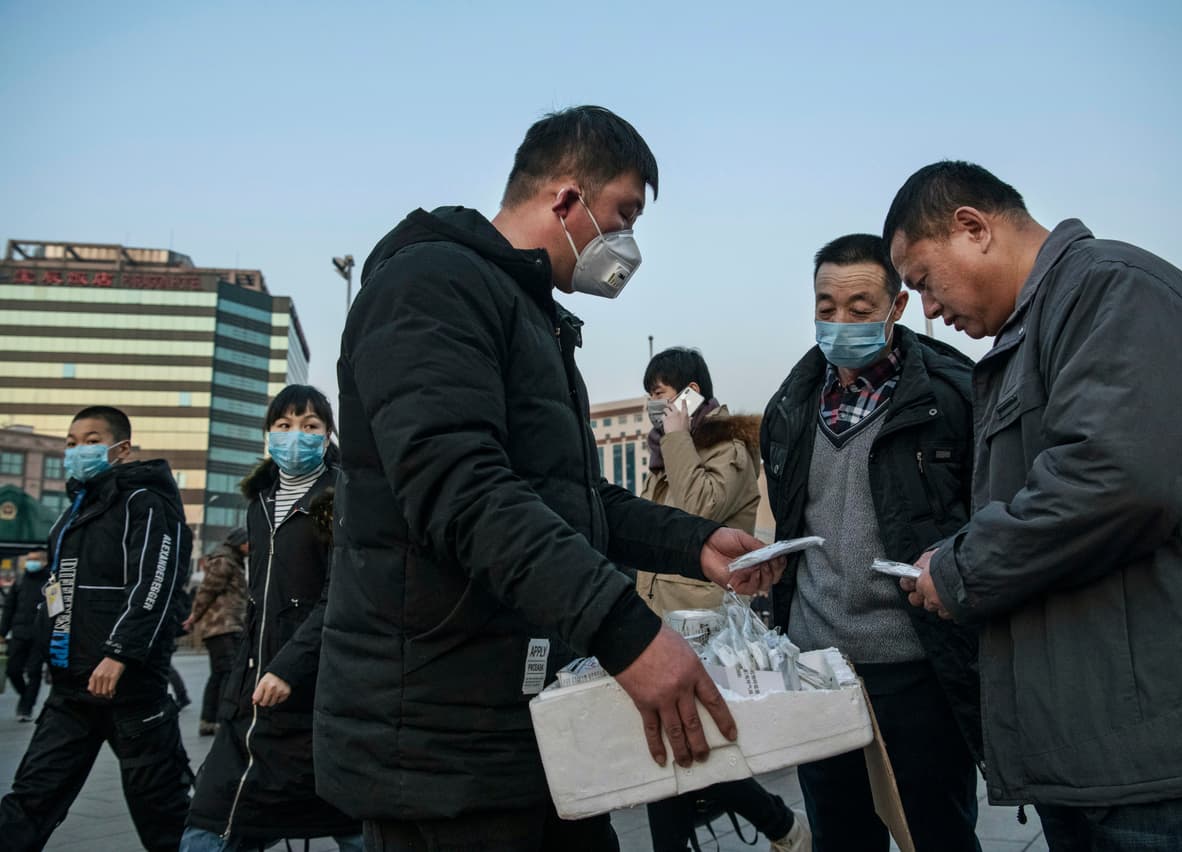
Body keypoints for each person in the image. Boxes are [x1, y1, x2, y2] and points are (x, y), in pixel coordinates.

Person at [315, 105, 782, 852]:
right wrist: (627, 632)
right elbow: (465, 492)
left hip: (520, 719)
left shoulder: (527, 312)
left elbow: (570, 500)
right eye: (624, 214)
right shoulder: (431, 287)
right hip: (445, 735)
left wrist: (695, 544)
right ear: (565, 200)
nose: (628, 243)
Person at [884, 161, 1182, 851]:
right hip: (1100, 761)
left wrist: (958, 570)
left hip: (1176, 772)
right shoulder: (1030, 335)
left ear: (972, 228)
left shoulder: (1117, 290)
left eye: (921, 281)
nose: (929, 311)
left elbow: (1118, 480)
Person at [760, 234, 983, 852]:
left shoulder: (951, 396)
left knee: (936, 833)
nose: (839, 322)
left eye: (859, 309)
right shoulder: (791, 404)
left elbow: (986, 517)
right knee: (839, 836)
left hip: (917, 669)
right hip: (819, 669)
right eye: (825, 307)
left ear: (898, 307)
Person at [637, 347, 811, 852]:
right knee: (676, 751)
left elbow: (698, 514)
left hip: (703, 625)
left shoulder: (727, 450)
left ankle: (782, 824)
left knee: (679, 752)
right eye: (650, 396)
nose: (656, 407)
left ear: (692, 395)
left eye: (662, 395)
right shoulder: (665, 457)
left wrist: (675, 439)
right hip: (660, 620)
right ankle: (783, 827)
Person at [0, 405, 193, 852]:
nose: (77, 450)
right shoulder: (71, 514)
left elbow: (157, 581)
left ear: (120, 449)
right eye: (70, 442)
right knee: (29, 801)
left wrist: (119, 653)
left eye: (90, 441)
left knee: (164, 815)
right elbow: (58, 592)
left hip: (130, 690)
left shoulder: (145, 502)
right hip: (72, 690)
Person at [184, 385, 361, 851]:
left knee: (354, 822)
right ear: (268, 434)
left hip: (320, 697)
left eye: (310, 426)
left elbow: (343, 596)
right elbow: (259, 604)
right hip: (255, 697)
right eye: (283, 426)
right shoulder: (259, 504)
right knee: (209, 820)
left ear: (327, 436)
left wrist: (289, 665)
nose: (295, 436)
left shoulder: (342, 497)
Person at [182, 528, 248, 736]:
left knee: (219, 674)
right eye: (249, 543)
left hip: (223, 625)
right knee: (227, 673)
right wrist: (194, 616)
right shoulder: (224, 561)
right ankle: (221, 720)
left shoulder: (232, 559)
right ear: (240, 542)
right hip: (222, 625)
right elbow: (206, 591)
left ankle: (209, 720)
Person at [1, 549, 51, 721]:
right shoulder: (20, 581)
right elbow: (9, 608)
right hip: (19, 634)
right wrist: (2, 631)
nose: (31, 563)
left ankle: (26, 708)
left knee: (34, 672)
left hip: (40, 636)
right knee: (12, 670)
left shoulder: (50, 582)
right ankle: (26, 696)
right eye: (29, 559)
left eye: (35, 559)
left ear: (44, 561)